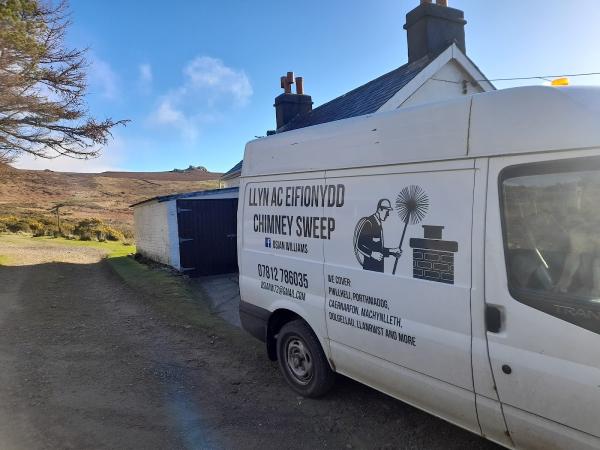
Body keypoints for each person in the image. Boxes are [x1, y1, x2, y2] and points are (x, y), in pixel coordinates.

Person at [356, 199, 401, 273]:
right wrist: (371, 254)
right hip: (370, 269)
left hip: (378, 270)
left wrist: (392, 252)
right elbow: (359, 245)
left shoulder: (378, 223)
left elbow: (377, 248)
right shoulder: (369, 222)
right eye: (387, 211)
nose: (388, 214)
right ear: (380, 210)